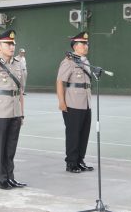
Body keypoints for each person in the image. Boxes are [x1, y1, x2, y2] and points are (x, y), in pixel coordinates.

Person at [0, 30, 27, 190]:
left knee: (10, 148)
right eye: (8, 44)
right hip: (0, 113)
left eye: (13, 44)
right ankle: (2, 180)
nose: (12, 47)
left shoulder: (18, 64)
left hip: (15, 111)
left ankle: (11, 177)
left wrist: (21, 113)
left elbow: (20, 91)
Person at [56, 31, 94, 173]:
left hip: (86, 103)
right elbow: (60, 82)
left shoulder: (85, 61)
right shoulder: (68, 62)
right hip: (73, 103)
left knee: (84, 133)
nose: (86, 46)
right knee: (73, 134)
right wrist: (61, 101)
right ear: (75, 46)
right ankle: (71, 163)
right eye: (83, 44)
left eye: (87, 44)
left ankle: (80, 160)